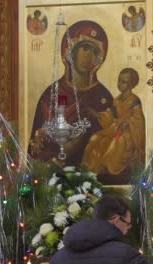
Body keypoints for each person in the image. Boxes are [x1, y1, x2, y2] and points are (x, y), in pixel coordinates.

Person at [29, 20, 113, 167]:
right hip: (54, 180)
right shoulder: (51, 95)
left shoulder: (103, 98)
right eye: (85, 48)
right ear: (70, 51)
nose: (90, 56)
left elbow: (110, 147)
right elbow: (35, 152)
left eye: (95, 52)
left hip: (93, 180)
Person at [82, 68, 145, 184]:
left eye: (124, 82)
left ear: (131, 84)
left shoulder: (134, 101)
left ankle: (108, 171)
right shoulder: (116, 100)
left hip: (128, 135)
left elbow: (139, 121)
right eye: (119, 81)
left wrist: (129, 122)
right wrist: (97, 115)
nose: (120, 84)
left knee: (116, 143)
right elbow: (110, 116)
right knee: (95, 139)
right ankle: (91, 171)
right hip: (114, 129)